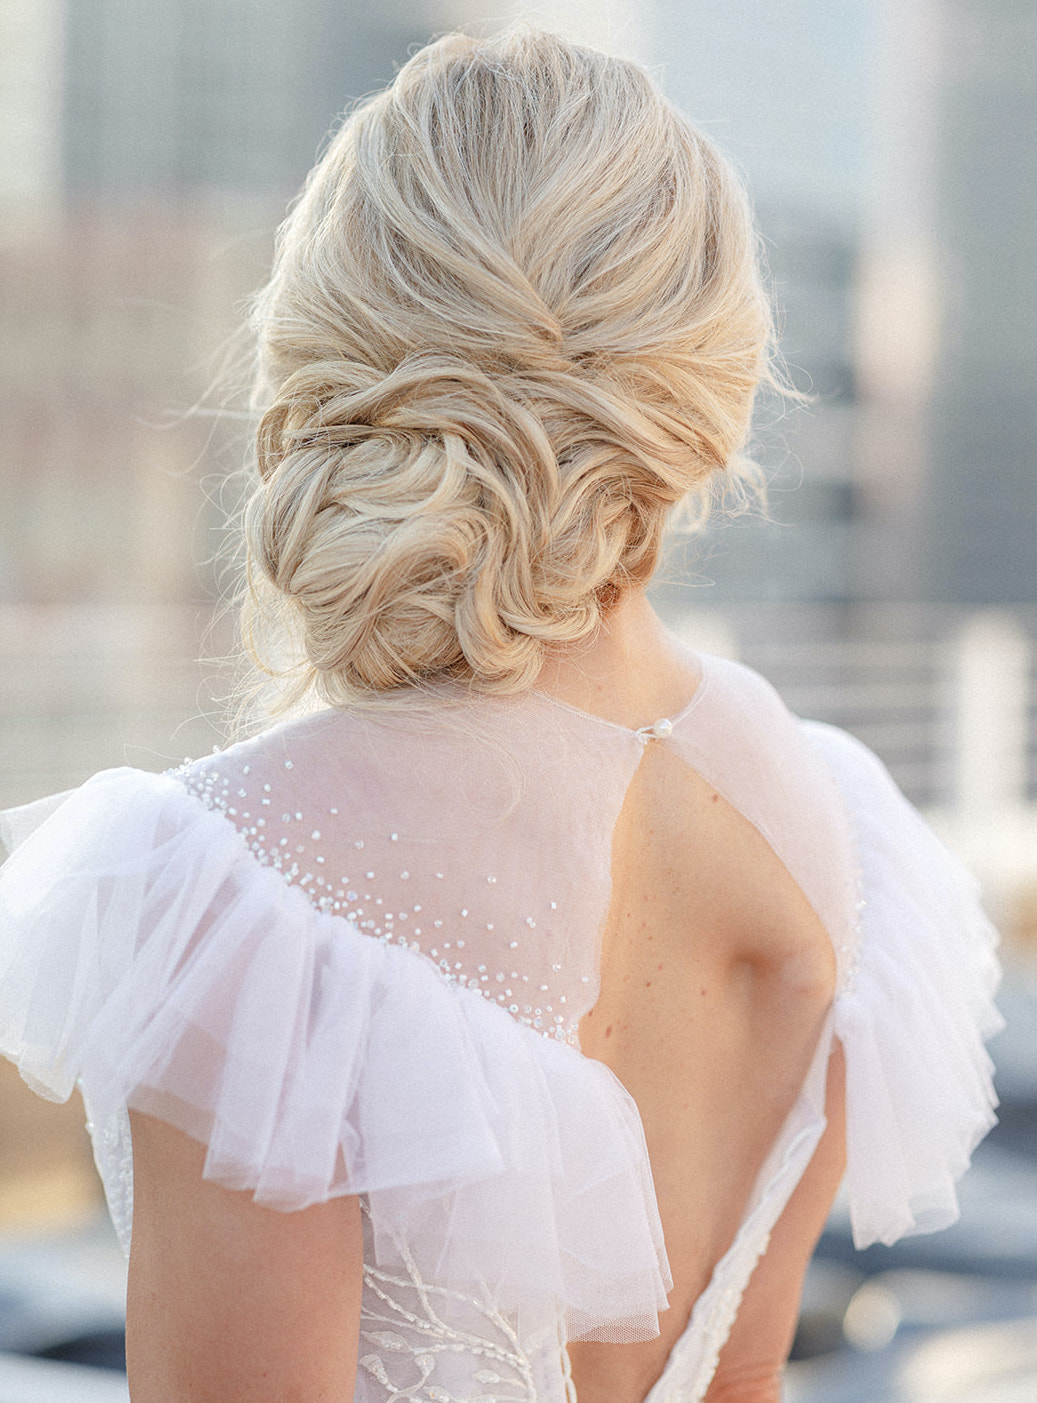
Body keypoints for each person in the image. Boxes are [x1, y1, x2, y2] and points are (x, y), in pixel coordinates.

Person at [0, 28, 1001, 1403]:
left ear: (321, 337)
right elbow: (742, 1381)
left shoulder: (245, 883)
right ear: (705, 379)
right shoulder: (835, 820)